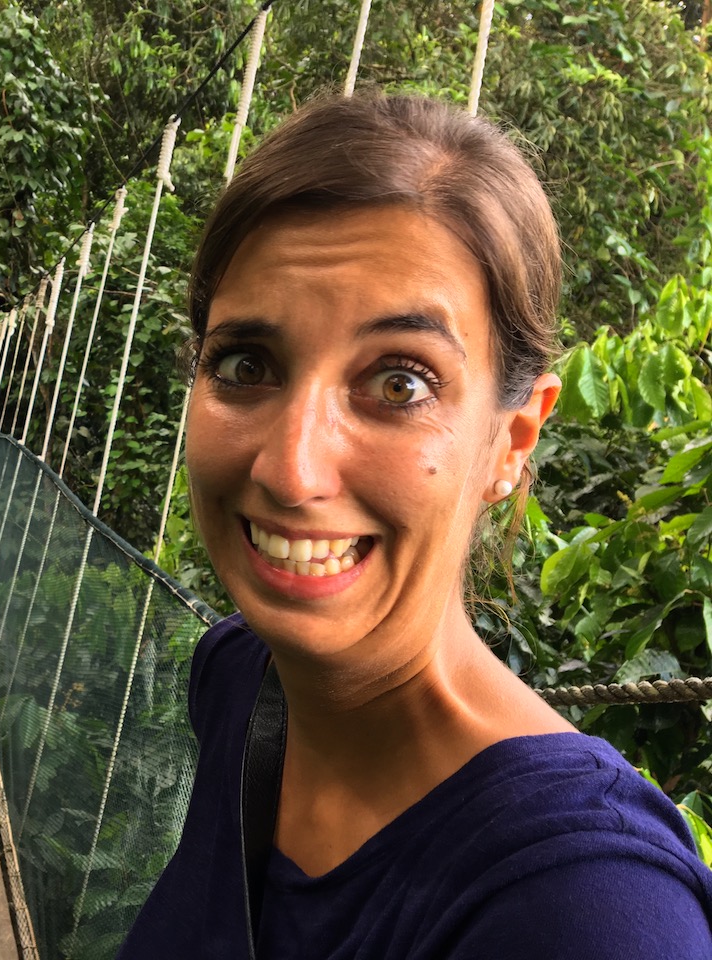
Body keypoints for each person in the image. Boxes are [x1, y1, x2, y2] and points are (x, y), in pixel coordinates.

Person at [117, 92, 712, 959]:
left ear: (512, 441)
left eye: (400, 383)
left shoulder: (590, 907)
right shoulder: (240, 677)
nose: (291, 470)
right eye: (246, 365)